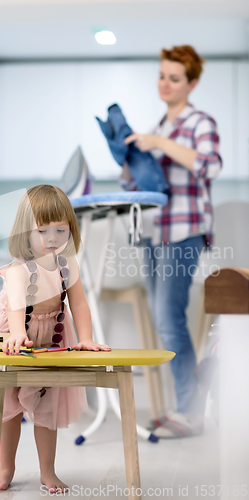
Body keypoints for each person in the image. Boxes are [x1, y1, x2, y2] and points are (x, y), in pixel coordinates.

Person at [0, 185, 111, 492]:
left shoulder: (68, 265)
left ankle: (47, 471)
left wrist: (86, 338)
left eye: (61, 230)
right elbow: (16, 303)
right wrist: (17, 333)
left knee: (47, 405)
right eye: (43, 231)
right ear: (25, 232)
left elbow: (79, 304)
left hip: (50, 338)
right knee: (8, 405)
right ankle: (6, 466)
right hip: (11, 333)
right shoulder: (19, 267)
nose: (53, 238)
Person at [124, 45, 222, 438]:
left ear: (192, 83)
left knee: (169, 317)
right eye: (162, 75)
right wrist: (129, 160)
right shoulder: (159, 127)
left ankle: (190, 411)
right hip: (155, 231)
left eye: (175, 78)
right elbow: (141, 184)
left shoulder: (199, 122)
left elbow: (209, 165)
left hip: (184, 232)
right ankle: (185, 406)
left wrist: (159, 145)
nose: (165, 83)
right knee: (165, 321)